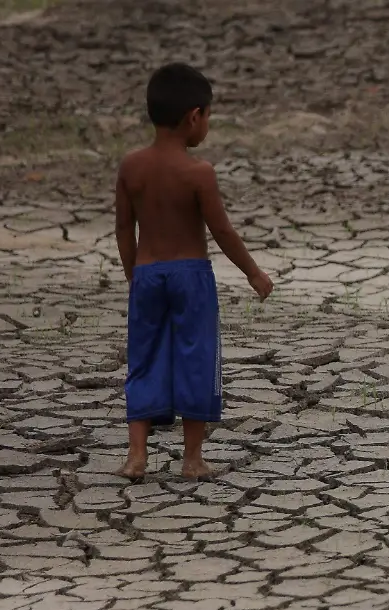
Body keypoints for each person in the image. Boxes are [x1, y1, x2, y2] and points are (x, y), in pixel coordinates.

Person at [114, 62, 272, 480]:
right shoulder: (198, 173)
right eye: (209, 117)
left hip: (148, 275)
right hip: (190, 277)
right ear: (194, 117)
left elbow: (123, 231)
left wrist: (135, 275)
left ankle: (136, 456)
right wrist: (253, 272)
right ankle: (192, 459)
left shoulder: (131, 167)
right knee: (195, 358)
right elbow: (221, 230)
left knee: (144, 359)